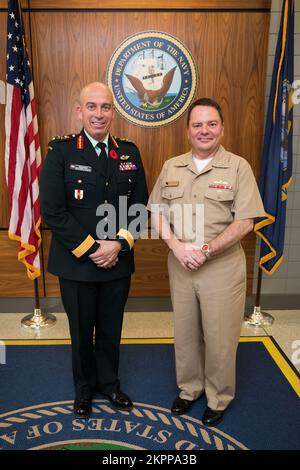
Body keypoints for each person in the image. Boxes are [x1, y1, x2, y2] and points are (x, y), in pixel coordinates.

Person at [147, 98, 265, 426]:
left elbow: (245, 222)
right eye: (197, 125)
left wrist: (206, 250)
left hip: (221, 267)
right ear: (187, 131)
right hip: (181, 264)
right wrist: (177, 247)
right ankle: (189, 390)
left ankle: (218, 396)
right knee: (185, 333)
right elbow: (155, 211)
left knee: (220, 337)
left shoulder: (237, 167)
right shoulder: (172, 166)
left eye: (211, 124)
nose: (204, 131)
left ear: (222, 128)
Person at [40, 82, 148, 418]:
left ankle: (109, 385)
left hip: (117, 260)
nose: (98, 114)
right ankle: (84, 390)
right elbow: (53, 211)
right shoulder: (61, 152)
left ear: (113, 112)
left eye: (105, 107)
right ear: (79, 110)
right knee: (81, 330)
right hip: (77, 264)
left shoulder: (129, 152)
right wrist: (92, 249)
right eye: (91, 106)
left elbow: (140, 205)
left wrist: (116, 244)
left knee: (111, 327)